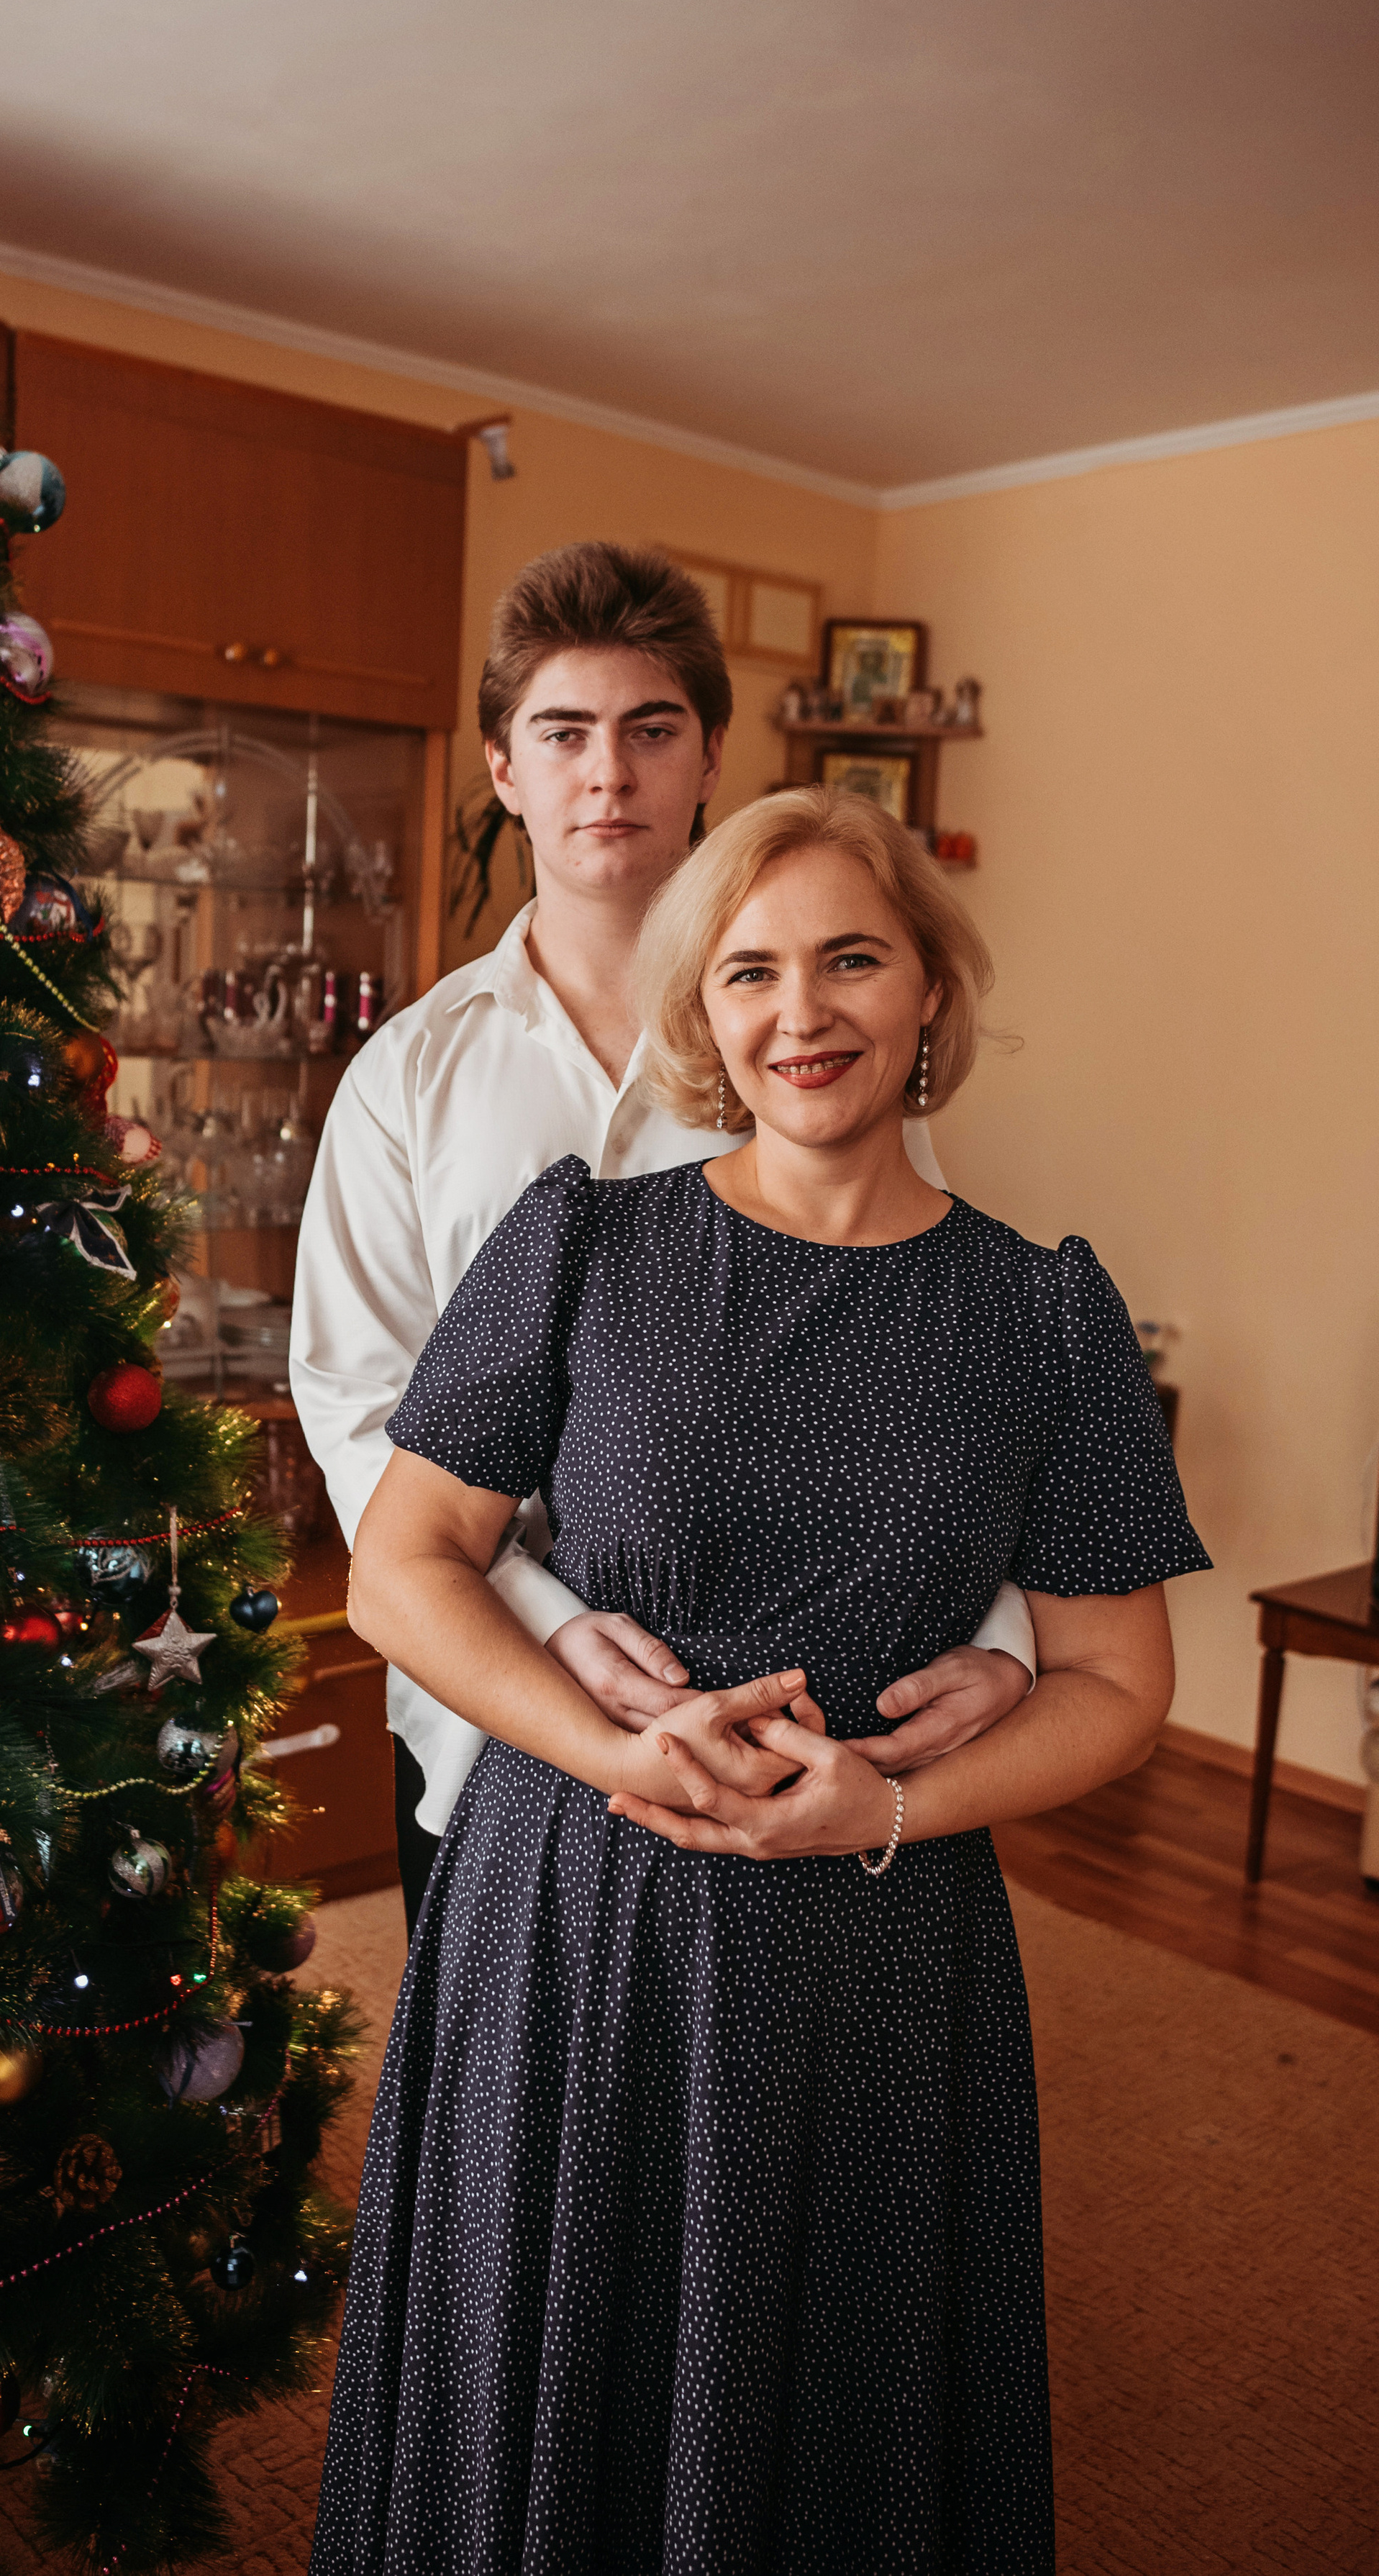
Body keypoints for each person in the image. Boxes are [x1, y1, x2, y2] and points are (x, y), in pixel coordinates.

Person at [309, 786, 1209, 2573]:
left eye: (849, 961)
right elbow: (396, 1572)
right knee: (540, 2390)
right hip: (569, 1915)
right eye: (749, 975)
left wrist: (884, 1800)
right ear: (704, 1020)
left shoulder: (1046, 1316)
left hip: (875, 1951)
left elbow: (1115, 1682)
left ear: (930, 996)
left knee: (826, 2414)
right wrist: (611, 1744)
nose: (799, 1015)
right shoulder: (580, 1243)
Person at [290, 542, 1033, 1934]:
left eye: (651, 732)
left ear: (709, 763)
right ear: (506, 770)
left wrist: (1007, 1645)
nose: (608, 776)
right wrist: (548, 1619)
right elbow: (355, 1405)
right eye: (563, 735)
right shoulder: (408, 1075)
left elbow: (925, 1368)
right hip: (484, 1710)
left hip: (788, 1712)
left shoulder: (813, 1051)